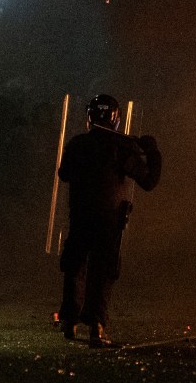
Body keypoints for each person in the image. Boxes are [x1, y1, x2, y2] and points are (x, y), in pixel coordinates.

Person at [57, 94, 162, 348]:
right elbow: (148, 182)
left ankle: (70, 321)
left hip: (81, 215)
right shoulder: (121, 146)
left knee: (75, 266)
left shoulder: (78, 144)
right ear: (116, 119)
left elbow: (64, 174)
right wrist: (153, 152)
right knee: (102, 272)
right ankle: (96, 326)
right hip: (108, 218)